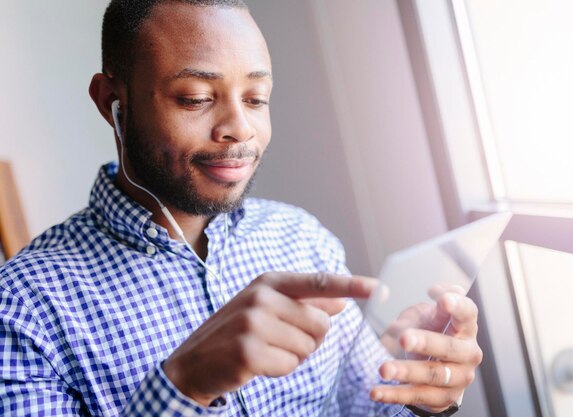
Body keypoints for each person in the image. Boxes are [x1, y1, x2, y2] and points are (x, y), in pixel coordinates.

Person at [0, 1, 483, 416]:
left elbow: (358, 406)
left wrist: (419, 393)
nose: (240, 128)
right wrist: (183, 385)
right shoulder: (23, 307)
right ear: (111, 102)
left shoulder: (302, 239)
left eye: (256, 98)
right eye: (196, 98)